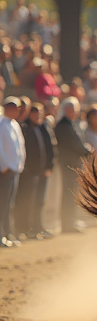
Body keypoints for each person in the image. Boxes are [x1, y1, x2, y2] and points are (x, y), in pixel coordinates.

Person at [15, 103, 54, 239]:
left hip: (41, 171)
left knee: (39, 202)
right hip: (30, 173)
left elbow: (49, 148)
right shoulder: (26, 128)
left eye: (39, 113)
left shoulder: (42, 127)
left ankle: (38, 226)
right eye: (34, 112)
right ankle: (25, 228)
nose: (37, 115)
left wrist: (49, 166)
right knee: (27, 202)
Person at [54, 97, 92, 233]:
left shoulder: (71, 124)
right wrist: (86, 152)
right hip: (68, 164)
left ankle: (70, 221)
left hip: (73, 164)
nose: (75, 112)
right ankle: (66, 224)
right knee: (68, 194)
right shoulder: (63, 125)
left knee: (72, 194)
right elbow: (74, 144)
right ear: (67, 110)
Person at [0, 97, 26, 247]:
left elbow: (19, 146)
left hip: (14, 169)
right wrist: (4, 167)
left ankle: (7, 233)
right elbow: (0, 149)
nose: (17, 111)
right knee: (2, 204)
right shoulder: (1, 124)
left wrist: (18, 165)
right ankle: (1, 235)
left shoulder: (14, 124)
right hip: (5, 171)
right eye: (14, 108)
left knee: (9, 204)